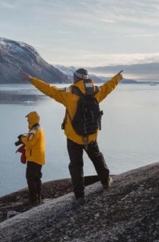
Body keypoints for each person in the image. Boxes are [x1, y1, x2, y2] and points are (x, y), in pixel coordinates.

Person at [23, 68, 123, 205]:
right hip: (91, 135)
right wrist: (118, 77)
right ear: (87, 79)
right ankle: (106, 181)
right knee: (97, 157)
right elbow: (109, 86)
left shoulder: (69, 93)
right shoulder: (96, 91)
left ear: (75, 79)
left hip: (73, 136)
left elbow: (49, 90)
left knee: (76, 165)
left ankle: (80, 196)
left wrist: (32, 79)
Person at [18, 111, 46, 205]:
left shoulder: (34, 130)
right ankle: (39, 197)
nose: (27, 121)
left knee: (30, 178)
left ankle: (33, 200)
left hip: (33, 158)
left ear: (31, 120)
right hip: (39, 157)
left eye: (28, 120)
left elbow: (30, 142)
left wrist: (22, 138)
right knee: (37, 178)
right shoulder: (39, 128)